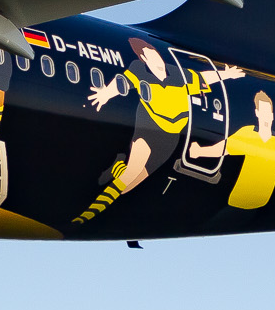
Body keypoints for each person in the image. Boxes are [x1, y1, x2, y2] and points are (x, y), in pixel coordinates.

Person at [72, 37, 243, 226]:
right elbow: (122, 83)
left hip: (169, 139)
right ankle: (85, 216)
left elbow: (203, 78)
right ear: (145, 59)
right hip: (149, 127)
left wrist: (226, 75)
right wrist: (105, 94)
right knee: (131, 173)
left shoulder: (179, 75)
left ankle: (117, 167)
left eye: (155, 54)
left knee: (130, 185)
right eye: (150, 55)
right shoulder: (139, 70)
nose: (157, 59)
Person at [190, 89, 275, 211]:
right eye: (262, 111)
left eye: (268, 111)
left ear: (272, 114)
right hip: (236, 203)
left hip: (259, 208)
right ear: (257, 113)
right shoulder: (247, 133)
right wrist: (199, 151)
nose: (266, 115)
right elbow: (222, 149)